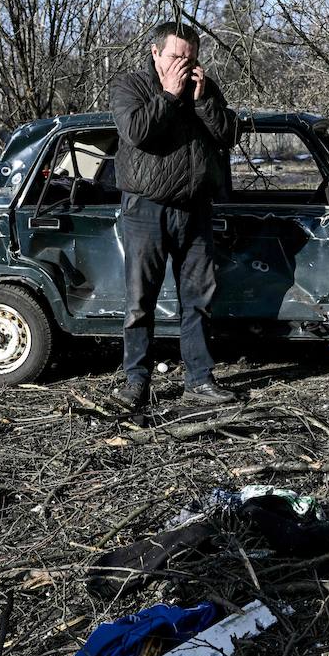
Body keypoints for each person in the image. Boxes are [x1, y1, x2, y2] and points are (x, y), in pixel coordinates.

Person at [109, 21, 238, 409]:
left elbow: (230, 135)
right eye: (176, 56)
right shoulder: (131, 86)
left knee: (198, 297)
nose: (184, 64)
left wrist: (202, 101)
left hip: (195, 208)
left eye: (190, 57)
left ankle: (198, 380)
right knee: (139, 299)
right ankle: (136, 381)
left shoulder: (204, 88)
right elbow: (136, 132)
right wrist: (167, 94)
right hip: (146, 209)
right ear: (155, 52)